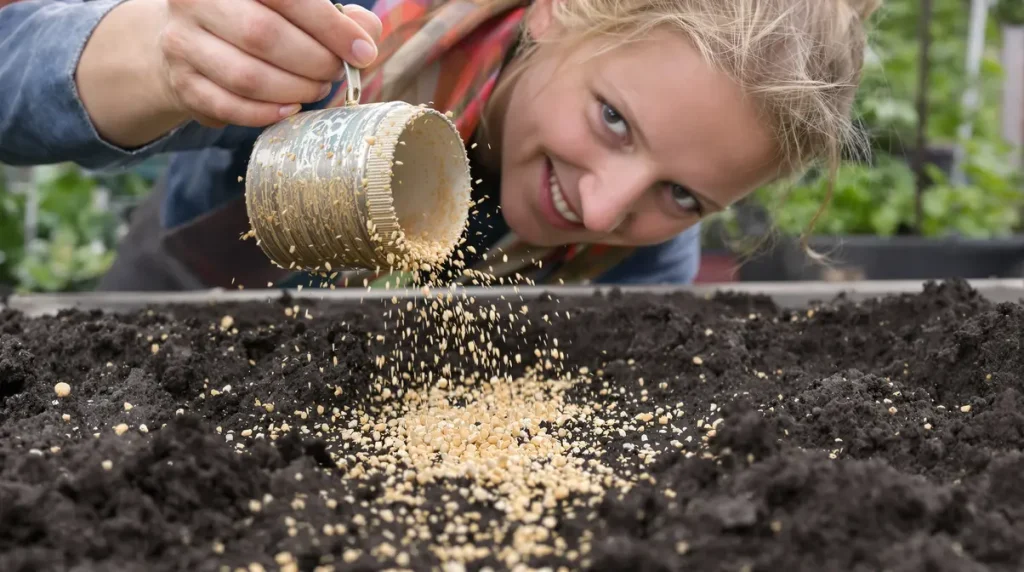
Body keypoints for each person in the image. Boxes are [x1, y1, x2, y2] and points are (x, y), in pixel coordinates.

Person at [0, 0, 879, 291]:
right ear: (558, 15)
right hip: (178, 330)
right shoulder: (357, 42)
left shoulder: (640, 267)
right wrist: (152, 57)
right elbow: (16, 72)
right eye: (614, 120)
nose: (607, 209)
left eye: (684, 196)